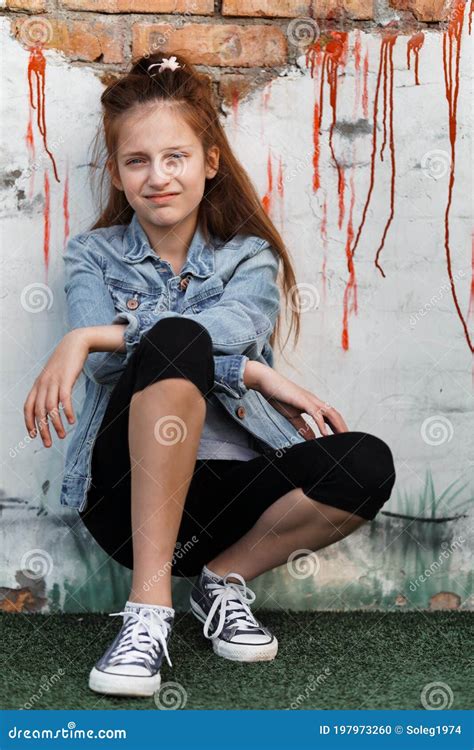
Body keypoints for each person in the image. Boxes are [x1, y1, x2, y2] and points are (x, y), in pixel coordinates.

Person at [23, 52, 396, 698]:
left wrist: (90, 336)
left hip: (231, 504)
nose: (158, 176)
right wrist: (252, 372)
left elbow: (230, 327)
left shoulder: (247, 257)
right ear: (116, 172)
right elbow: (118, 363)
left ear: (209, 162)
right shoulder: (91, 254)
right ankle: (147, 612)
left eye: (177, 157)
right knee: (173, 340)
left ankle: (222, 582)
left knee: (368, 463)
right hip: (123, 504)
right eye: (137, 161)